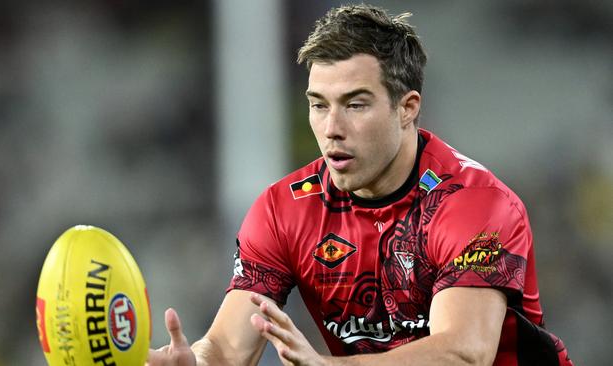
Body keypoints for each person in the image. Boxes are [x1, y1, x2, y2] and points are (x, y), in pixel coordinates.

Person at [147, 4, 572, 366]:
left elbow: (463, 353)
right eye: (319, 105)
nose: (331, 128)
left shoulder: (473, 203)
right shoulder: (284, 210)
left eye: (355, 104)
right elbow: (226, 347)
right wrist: (196, 361)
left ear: (407, 108)